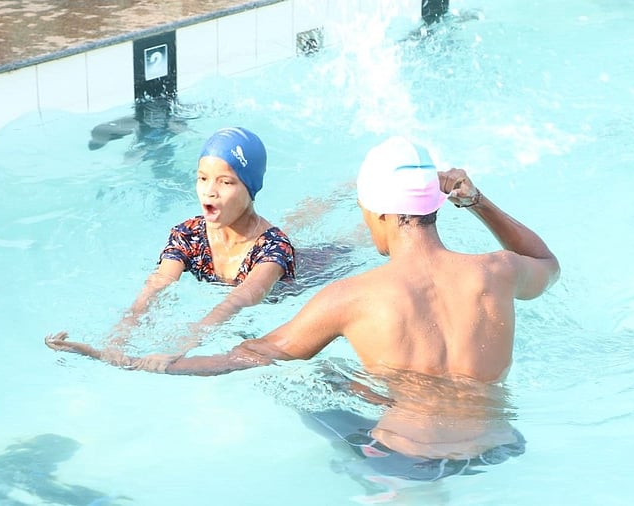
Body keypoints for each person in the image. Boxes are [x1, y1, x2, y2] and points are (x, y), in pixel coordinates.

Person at [46, 135, 559, 476]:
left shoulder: (350, 298)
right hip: (499, 446)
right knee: (349, 382)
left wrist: (133, 359)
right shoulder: (497, 271)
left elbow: (247, 356)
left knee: (316, 382)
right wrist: (477, 201)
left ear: (379, 212)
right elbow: (546, 263)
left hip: (401, 461)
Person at [97, 127, 296, 366]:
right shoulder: (189, 234)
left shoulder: (273, 248)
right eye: (202, 178)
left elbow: (239, 299)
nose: (209, 192)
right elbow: (159, 283)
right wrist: (117, 339)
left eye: (226, 182)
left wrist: (181, 347)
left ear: (250, 187)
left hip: (309, 274)